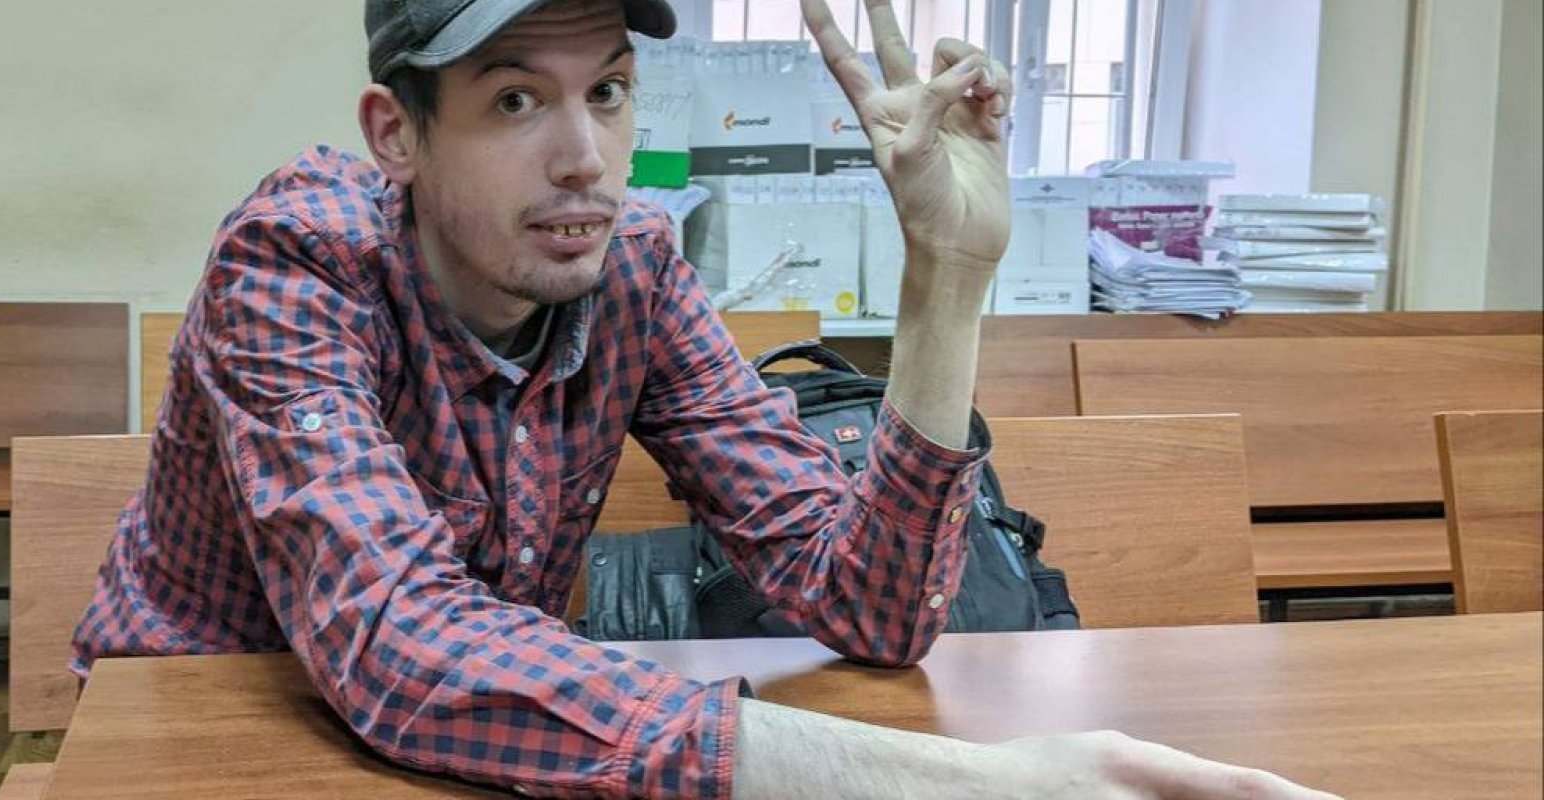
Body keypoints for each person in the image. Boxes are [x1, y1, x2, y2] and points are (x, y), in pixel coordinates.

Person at [72, 0, 1337, 797]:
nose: (585, 158)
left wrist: (945, 277)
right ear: (394, 135)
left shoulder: (631, 268)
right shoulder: (290, 264)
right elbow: (398, 643)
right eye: (514, 99)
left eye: (606, 91)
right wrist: (972, 782)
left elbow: (869, 605)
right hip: (199, 726)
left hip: (470, 735)